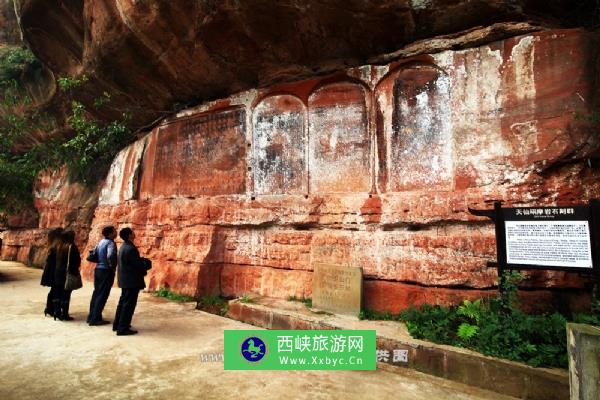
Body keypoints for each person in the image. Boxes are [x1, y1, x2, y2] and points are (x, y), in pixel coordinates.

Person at [113, 227, 151, 336]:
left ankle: (118, 325)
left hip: (125, 280)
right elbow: (137, 265)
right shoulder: (130, 248)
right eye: (132, 232)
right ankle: (123, 328)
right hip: (131, 281)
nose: (134, 233)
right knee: (128, 304)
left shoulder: (124, 247)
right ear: (129, 235)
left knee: (123, 303)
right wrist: (146, 264)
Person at [87, 226, 118, 326]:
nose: (116, 233)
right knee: (103, 294)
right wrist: (112, 266)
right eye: (114, 231)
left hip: (98, 269)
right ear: (110, 233)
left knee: (96, 293)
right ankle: (95, 319)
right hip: (105, 271)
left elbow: (94, 253)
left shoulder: (101, 242)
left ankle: (91, 316)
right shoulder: (110, 243)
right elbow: (109, 256)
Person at [53, 229, 81, 321]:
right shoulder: (72, 247)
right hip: (67, 273)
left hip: (58, 272)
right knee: (66, 294)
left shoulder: (58, 246)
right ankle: (64, 314)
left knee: (58, 292)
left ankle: (56, 311)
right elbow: (76, 261)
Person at [40, 227, 63, 317]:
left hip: (51, 271)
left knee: (53, 290)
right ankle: (51, 308)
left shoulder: (52, 247)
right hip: (54, 272)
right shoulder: (55, 248)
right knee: (56, 290)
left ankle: (49, 308)